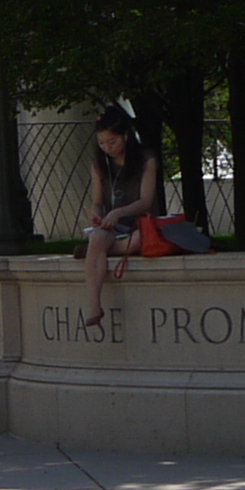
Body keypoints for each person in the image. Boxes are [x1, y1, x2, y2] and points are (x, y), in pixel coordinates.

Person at [79, 109, 160, 327]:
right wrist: (97, 215)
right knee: (97, 237)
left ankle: (97, 251)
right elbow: (98, 201)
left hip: (138, 224)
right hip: (112, 227)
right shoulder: (99, 166)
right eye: (102, 143)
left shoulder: (146, 160)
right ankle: (94, 305)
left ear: (125, 136)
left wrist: (118, 213)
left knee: (139, 239)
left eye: (112, 142)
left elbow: (146, 201)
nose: (107, 148)